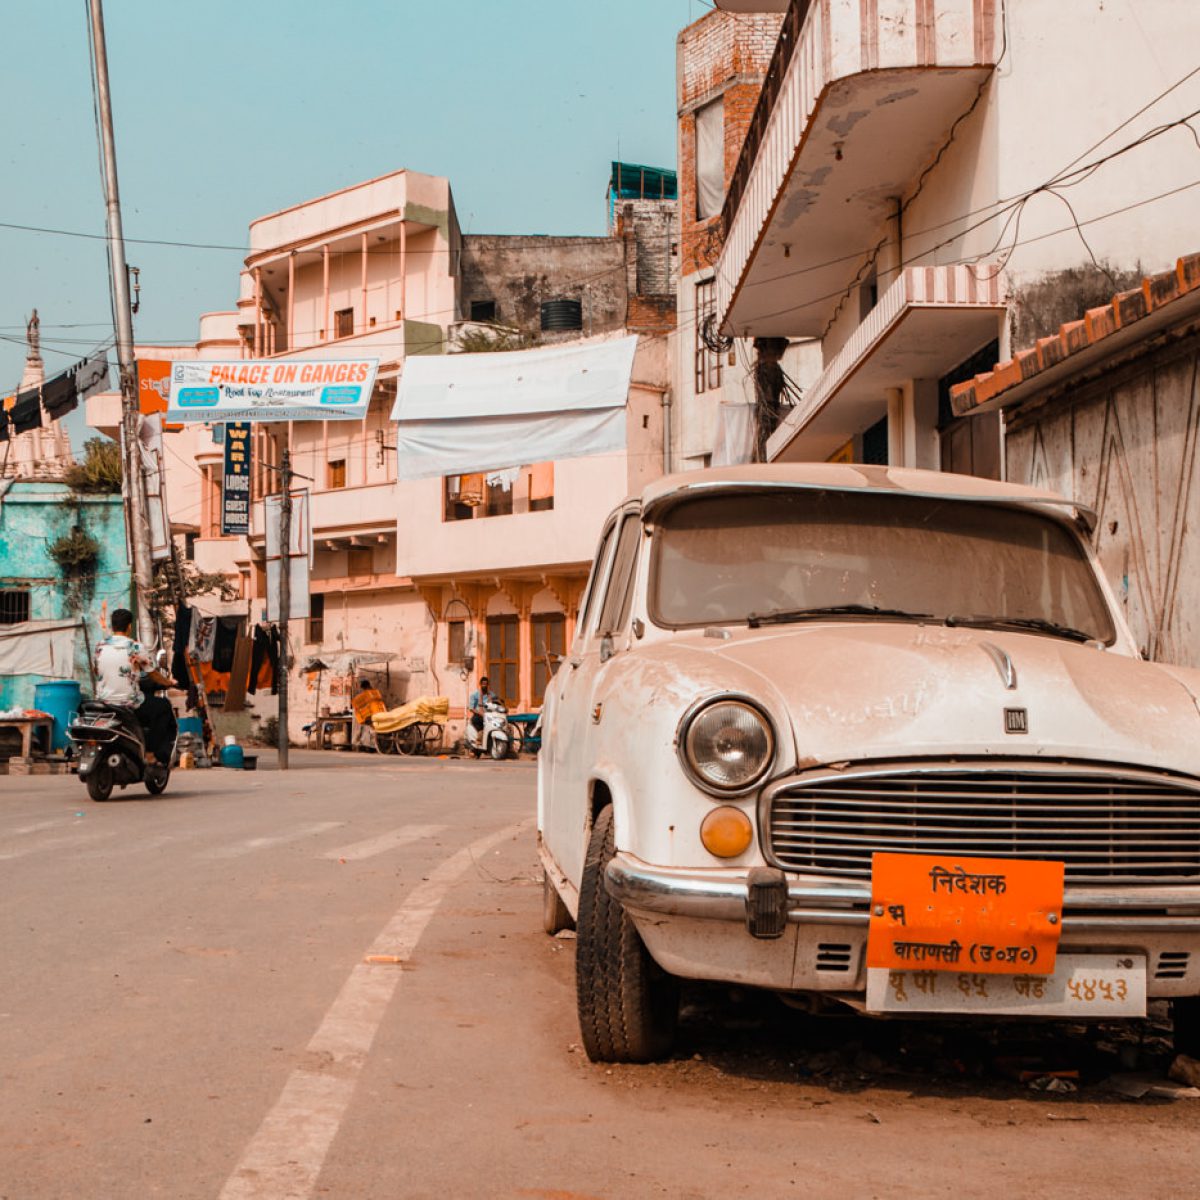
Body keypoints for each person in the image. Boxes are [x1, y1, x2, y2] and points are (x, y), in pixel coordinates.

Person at [93, 608, 176, 762]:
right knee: (163, 707)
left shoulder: (100, 646)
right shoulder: (135, 647)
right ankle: (151, 753)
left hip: (103, 701)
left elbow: (96, 670)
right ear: (130, 627)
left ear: (112, 626)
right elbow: (153, 674)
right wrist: (169, 683)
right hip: (129, 703)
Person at [351, 678, 385, 750]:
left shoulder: (365, 695)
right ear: (369, 685)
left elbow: (356, 704)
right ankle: (367, 744)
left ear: (363, 687)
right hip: (380, 714)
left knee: (360, 724)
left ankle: (357, 743)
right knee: (367, 727)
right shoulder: (376, 693)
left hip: (371, 716)